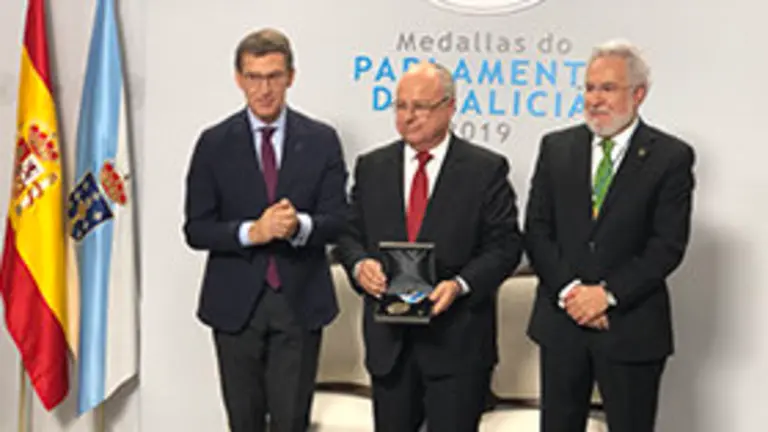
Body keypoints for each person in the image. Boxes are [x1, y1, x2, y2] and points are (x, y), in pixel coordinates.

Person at [334, 62, 522, 432]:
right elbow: (348, 234)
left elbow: (505, 246)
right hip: (390, 346)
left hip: (457, 344)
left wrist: (460, 285)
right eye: (401, 106)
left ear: (450, 107)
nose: (408, 117)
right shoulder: (372, 167)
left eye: (420, 107)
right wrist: (359, 266)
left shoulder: (485, 169)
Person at [525, 39, 695, 432]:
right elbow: (536, 230)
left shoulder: (670, 157)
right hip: (562, 324)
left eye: (607, 88)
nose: (595, 99)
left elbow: (666, 246)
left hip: (630, 327)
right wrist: (571, 293)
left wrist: (606, 295)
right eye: (589, 87)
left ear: (638, 94)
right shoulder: (556, 147)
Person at [182, 28, 348, 432]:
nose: (264, 89)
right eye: (254, 78)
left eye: (273, 76)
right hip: (235, 306)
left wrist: (299, 226)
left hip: (299, 303)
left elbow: (340, 220)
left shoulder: (322, 140)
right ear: (238, 79)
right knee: (244, 423)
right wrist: (250, 233)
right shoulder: (214, 143)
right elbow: (196, 229)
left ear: (291, 76)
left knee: (291, 423)